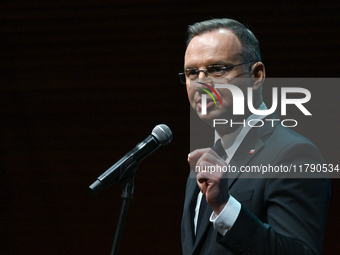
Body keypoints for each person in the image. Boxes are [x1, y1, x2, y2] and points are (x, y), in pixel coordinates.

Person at [180, 18, 330, 255]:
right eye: (191, 73)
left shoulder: (295, 154)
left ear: (257, 75)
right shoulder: (204, 162)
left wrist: (225, 207)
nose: (201, 83)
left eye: (217, 69)